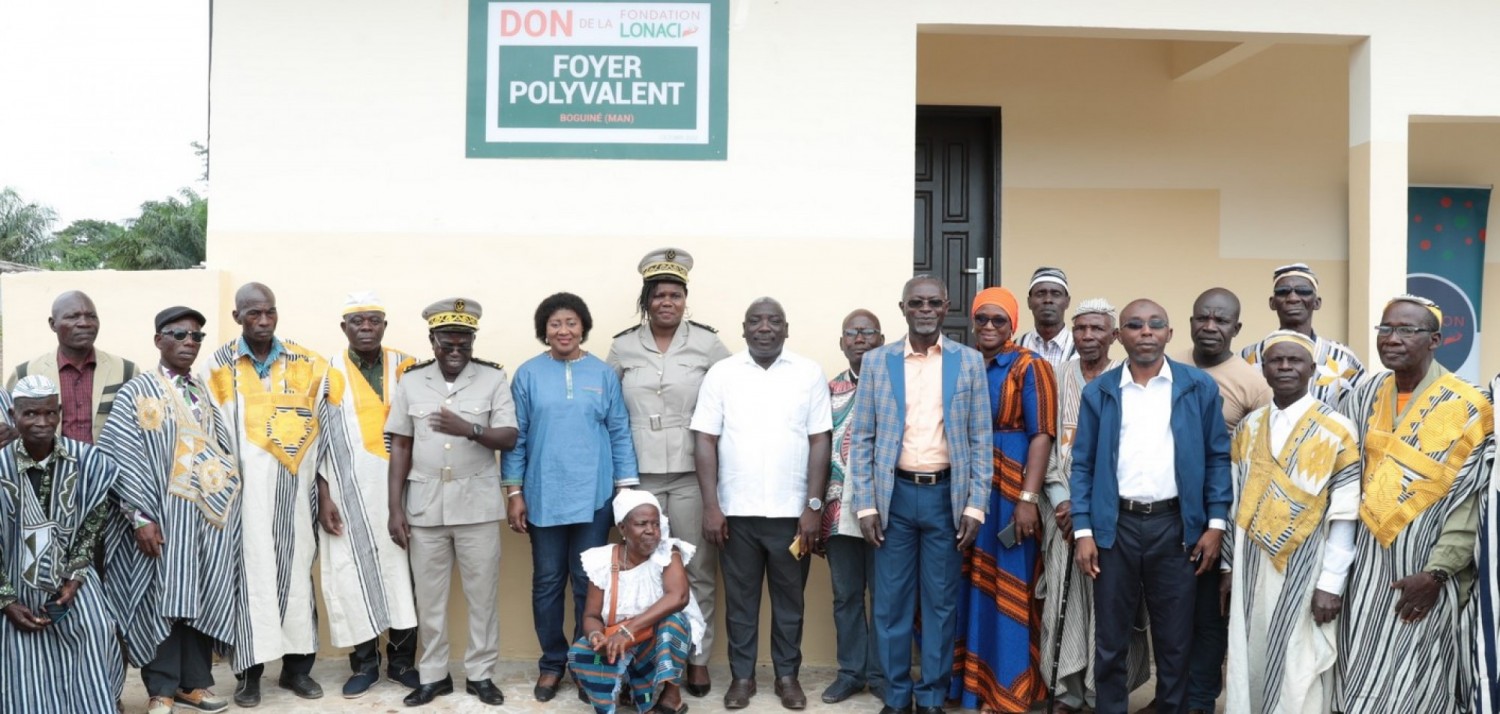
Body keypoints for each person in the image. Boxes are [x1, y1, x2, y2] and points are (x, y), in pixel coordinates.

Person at [1069, 299, 1232, 714]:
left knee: (1175, 641)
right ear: (1119, 335)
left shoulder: (1197, 387)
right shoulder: (1100, 391)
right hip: (1114, 526)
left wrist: (1215, 524)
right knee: (1110, 640)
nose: (1146, 332)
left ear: (1169, 334)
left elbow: (1217, 457)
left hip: (1176, 527)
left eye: (1155, 324)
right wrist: (1085, 531)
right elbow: (1083, 464)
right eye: (1135, 325)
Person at [1336, 295, 1494, 713]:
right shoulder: (1364, 394)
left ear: (1435, 339)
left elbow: (1470, 501)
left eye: (1407, 330)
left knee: (1417, 674)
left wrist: (1438, 572)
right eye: (1386, 329)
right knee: (1364, 663)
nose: (1392, 339)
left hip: (1425, 573)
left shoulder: (1470, 406)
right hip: (1365, 567)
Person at [849, 275, 993, 714]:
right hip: (894, 496)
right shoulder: (878, 362)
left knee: (940, 603)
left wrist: (975, 504)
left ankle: (930, 696)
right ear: (903, 308)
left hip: (946, 497)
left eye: (933, 302)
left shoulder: (968, 362)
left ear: (946, 307)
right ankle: (896, 697)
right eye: (917, 303)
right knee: (890, 605)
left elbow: (980, 438)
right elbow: (864, 439)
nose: (925, 309)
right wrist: (866, 503)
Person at [204, 282, 343, 706]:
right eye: (253, 314)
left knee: (297, 577)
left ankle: (297, 670)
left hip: (297, 497)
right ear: (237, 318)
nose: (263, 321)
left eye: (269, 312)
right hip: (243, 499)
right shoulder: (218, 367)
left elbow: (329, 431)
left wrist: (325, 490)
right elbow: (209, 434)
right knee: (249, 582)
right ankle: (249, 674)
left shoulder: (308, 363)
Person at [692, 297, 832, 711]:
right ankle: (742, 677)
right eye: (756, 321)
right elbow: (705, 439)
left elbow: (819, 439)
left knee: (791, 602)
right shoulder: (723, 374)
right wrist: (711, 506)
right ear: (744, 328)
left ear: (786, 329)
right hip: (736, 514)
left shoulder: (808, 373)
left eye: (774, 321)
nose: (765, 327)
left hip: (792, 516)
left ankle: (787, 677)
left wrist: (813, 506)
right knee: (740, 601)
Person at [100, 306, 240, 714]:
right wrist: (140, 518)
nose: (188, 342)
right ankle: (160, 688)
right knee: (160, 599)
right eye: (178, 334)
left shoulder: (205, 393)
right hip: (156, 522)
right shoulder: (137, 391)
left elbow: (224, 454)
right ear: (158, 339)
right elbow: (118, 456)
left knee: (196, 597)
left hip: (202, 522)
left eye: (196, 336)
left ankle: (194, 685)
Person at [606, 247, 731, 698]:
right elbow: (609, 409)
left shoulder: (708, 344)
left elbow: (729, 401)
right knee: (640, 572)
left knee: (697, 569)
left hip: (691, 475)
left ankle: (695, 660)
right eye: (659, 294)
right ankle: (641, 659)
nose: (667, 302)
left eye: (675, 295)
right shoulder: (622, 345)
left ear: (685, 299)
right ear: (646, 300)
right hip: (638, 477)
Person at [505, 292, 639, 703]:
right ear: (544, 329)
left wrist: (625, 494)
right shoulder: (527, 375)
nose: (563, 330)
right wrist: (514, 491)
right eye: (555, 324)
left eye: (571, 323)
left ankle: (585, 660)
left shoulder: (602, 374)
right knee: (547, 583)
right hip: (543, 496)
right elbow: (517, 437)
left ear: (583, 327)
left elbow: (619, 431)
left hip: (594, 498)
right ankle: (551, 664)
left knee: (588, 583)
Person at [1219, 331, 1361, 714]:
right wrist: (1230, 565)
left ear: (1312, 369)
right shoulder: (1248, 427)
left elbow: (1344, 514)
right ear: (1263, 369)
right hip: (1252, 565)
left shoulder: (1338, 430)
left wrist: (1331, 583)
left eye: (1294, 361)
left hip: (1307, 564)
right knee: (1250, 654)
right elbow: (1233, 499)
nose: (1284, 367)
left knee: (1298, 658)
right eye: (1276, 361)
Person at [386, 297, 518, 707]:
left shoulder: (493, 380)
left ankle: (480, 674)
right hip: (424, 505)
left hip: (476, 502)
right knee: (429, 599)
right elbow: (401, 447)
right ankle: (434, 675)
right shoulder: (410, 382)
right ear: (433, 341)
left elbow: (509, 437)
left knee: (482, 596)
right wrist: (395, 508)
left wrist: (469, 428)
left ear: (473, 340)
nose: (456, 350)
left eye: (465, 342)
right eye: (448, 342)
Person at [1038, 299, 1150, 714]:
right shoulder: (1055, 375)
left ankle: (1103, 692)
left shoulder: (1129, 379)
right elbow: (1046, 440)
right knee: (1063, 602)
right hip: (1061, 513)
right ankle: (1068, 691)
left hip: (1113, 516)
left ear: (1114, 335)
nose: (1087, 336)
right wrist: (1063, 500)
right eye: (1081, 328)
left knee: (1111, 605)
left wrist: (1092, 506)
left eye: (1097, 329)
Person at [949, 287, 1056, 713]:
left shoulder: (1031, 365)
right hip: (969, 487)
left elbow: (1042, 434)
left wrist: (1027, 498)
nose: (990, 327)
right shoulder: (962, 364)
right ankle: (969, 686)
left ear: (1013, 325)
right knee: (968, 585)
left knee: (1009, 586)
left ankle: (1010, 690)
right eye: (982, 319)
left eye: (999, 320)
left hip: (1012, 491)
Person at [0, 376, 123, 712]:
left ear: (59, 413)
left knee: (97, 624)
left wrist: (74, 579)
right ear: (13, 414)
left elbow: (91, 529)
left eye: (49, 413)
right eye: (30, 415)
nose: (42, 423)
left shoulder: (88, 461)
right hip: (10, 578)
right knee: (15, 644)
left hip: (71, 574)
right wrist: (7, 599)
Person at [319, 291, 420, 697]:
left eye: (374, 320)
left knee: (403, 575)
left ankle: (400, 662)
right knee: (352, 576)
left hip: (405, 491)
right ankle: (363, 664)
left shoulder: (408, 368)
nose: (366, 327)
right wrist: (324, 495)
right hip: (347, 492)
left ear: (384, 326)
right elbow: (319, 440)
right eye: (357, 321)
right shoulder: (326, 373)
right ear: (343, 327)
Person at [1182, 287, 1271, 714]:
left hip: (1222, 515)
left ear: (1237, 328)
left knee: (1208, 612)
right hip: (1166, 513)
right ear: (1191, 322)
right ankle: (1174, 697)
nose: (1210, 327)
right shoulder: (1169, 366)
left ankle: (1199, 700)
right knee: (1171, 612)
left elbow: (1264, 456)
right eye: (1203, 318)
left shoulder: (1254, 382)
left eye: (1221, 321)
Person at [568, 489, 706, 714]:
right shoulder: (602, 560)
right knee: (581, 651)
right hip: (622, 645)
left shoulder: (667, 554)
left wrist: (629, 631)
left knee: (674, 623)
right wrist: (596, 636)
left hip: (653, 641)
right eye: (642, 524)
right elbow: (591, 616)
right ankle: (622, 691)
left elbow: (679, 597)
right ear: (622, 528)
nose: (651, 531)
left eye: (655, 524)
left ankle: (672, 696)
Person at [818, 309, 887, 705]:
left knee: (885, 596)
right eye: (852, 333)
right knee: (845, 595)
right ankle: (850, 673)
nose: (859, 338)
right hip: (838, 508)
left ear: (881, 340)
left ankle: (879, 674)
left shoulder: (899, 385)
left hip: (888, 509)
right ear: (841, 342)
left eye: (868, 332)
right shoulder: (828, 389)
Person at [6, 290, 141, 443]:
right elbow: (10, 426)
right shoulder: (25, 373)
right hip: (50, 466)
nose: (85, 323)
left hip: (108, 466)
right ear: (53, 324)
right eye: (73, 316)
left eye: (91, 316)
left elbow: (140, 427)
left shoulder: (127, 371)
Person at [1240, 264, 1364, 408]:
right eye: (1283, 292)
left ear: (1317, 303)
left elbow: (1362, 410)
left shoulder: (1343, 358)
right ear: (1272, 303)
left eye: (1303, 291)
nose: (1293, 298)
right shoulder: (1248, 358)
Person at [1016, 267, 1075, 369]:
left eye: (1056, 294)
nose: (1048, 300)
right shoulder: (1016, 348)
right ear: (1029, 302)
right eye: (1040, 294)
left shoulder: (1080, 349)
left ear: (1067, 302)